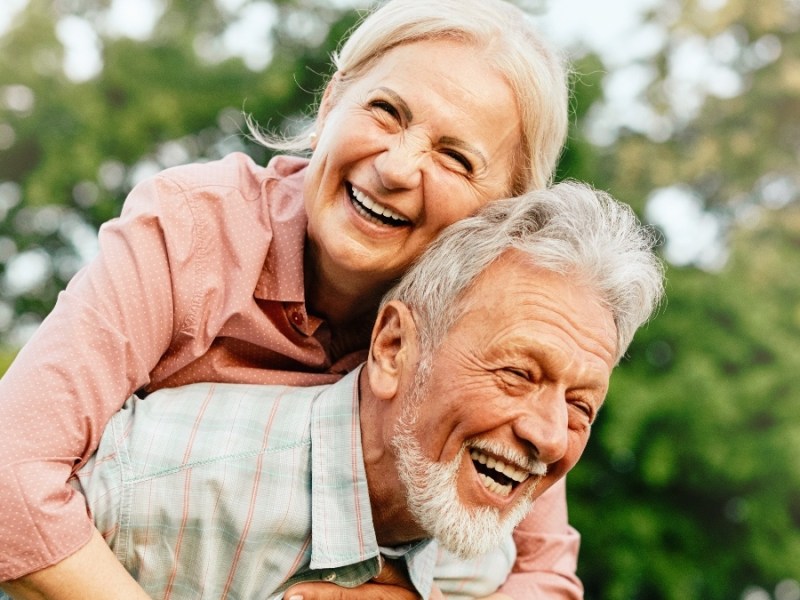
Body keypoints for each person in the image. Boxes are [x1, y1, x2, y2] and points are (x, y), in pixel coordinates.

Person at [0, 0, 575, 598]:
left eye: (455, 158)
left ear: (504, 213)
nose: (398, 168)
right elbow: (9, 476)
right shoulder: (191, 231)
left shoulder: (488, 329)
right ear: (330, 106)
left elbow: (546, 573)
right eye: (385, 111)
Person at [62, 183, 664, 600]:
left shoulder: (489, 554)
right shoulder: (147, 482)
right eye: (517, 374)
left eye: (581, 405)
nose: (549, 433)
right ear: (394, 348)